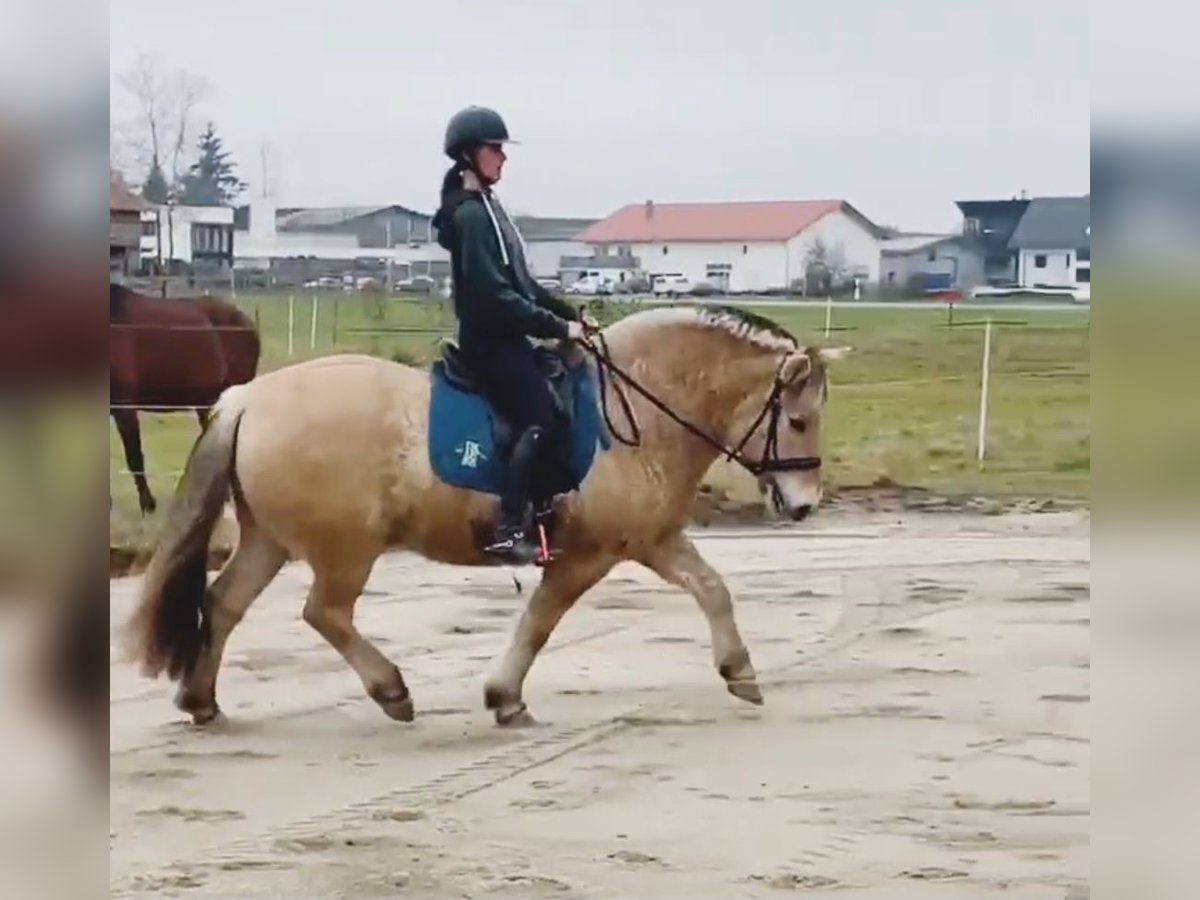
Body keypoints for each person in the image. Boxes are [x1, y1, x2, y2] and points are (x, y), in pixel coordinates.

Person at [431, 105, 594, 564]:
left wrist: (569, 313)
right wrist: (560, 328)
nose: (503, 158)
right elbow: (496, 298)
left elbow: (524, 284)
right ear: (469, 156)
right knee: (540, 419)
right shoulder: (471, 217)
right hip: (491, 344)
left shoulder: (487, 208)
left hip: (507, 339)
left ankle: (544, 514)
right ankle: (508, 528)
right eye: (495, 149)